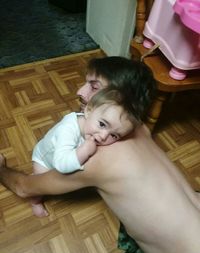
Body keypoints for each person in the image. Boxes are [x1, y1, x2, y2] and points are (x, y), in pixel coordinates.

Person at [1, 56, 200, 253]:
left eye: (94, 87)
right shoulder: (139, 125)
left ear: (119, 98)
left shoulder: (97, 156)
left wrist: (2, 169)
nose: (80, 91)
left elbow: (24, 188)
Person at [31, 87, 138, 217]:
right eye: (103, 124)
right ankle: (35, 202)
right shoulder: (68, 128)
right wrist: (85, 151)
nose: (104, 136)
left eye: (114, 135)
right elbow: (61, 164)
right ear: (88, 110)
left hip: (66, 157)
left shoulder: (93, 128)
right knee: (39, 185)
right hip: (45, 160)